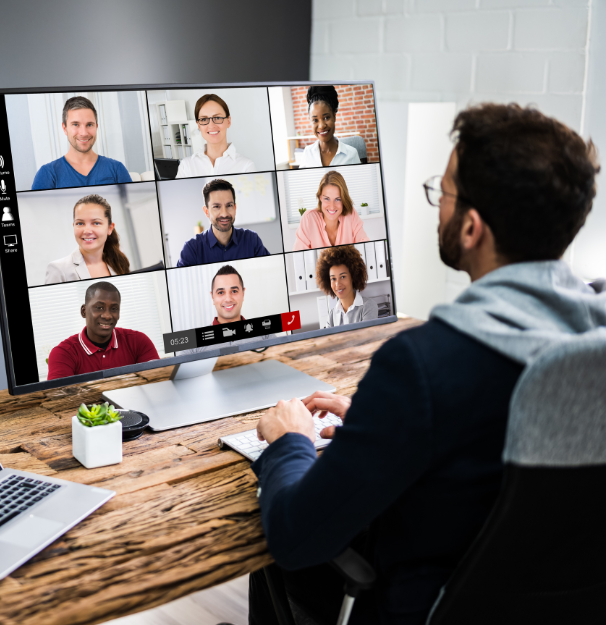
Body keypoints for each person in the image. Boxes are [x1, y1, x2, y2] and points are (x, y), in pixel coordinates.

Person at [247, 103, 603, 625]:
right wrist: (383, 421)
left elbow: (298, 537)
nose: (439, 204)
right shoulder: (590, 338)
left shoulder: (424, 364)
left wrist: (290, 441)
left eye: (446, 191)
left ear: (471, 228)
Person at [47, 281, 160, 380]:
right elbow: (60, 399)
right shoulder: (63, 354)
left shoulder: (139, 341)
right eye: (99, 307)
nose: (107, 316)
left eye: (114, 309)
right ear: (84, 311)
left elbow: (157, 383)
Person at [31, 96, 133, 190]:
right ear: (64, 128)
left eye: (89, 125)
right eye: (75, 124)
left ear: (96, 127)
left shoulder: (116, 169)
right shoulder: (47, 174)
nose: (84, 133)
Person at [177, 178, 271, 267]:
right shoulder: (192, 249)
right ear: (206, 212)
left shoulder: (252, 240)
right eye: (217, 206)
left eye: (229, 205)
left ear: (235, 208)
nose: (224, 213)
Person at [45, 194, 130, 284]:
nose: (87, 231)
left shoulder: (119, 263)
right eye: (80, 223)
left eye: (96, 223)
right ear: (74, 226)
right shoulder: (58, 270)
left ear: (110, 228)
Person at [176, 94, 256, 178]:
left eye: (217, 118)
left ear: (228, 121)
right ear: (199, 125)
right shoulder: (186, 166)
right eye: (204, 119)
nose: (211, 125)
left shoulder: (246, 166)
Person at [293, 170, 369, 250]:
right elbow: (299, 254)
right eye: (327, 199)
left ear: (343, 199)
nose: (332, 207)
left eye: (337, 199)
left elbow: (365, 246)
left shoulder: (351, 214)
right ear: (320, 198)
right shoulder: (309, 219)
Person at [295, 85, 362, 169]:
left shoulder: (351, 154)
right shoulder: (307, 153)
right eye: (315, 120)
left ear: (334, 116)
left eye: (326, 117)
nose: (322, 126)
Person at [316, 245, 377, 327]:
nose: (337, 284)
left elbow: (365, 338)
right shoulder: (331, 315)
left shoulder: (368, 306)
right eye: (333, 279)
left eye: (343, 277)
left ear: (353, 276)